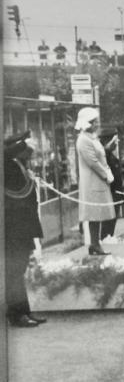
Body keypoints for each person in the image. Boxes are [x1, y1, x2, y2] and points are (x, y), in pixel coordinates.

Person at [4, 131, 46, 327]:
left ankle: (24, 312)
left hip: (22, 227)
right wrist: (22, 144)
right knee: (14, 272)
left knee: (18, 271)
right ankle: (16, 315)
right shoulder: (7, 164)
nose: (30, 154)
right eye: (26, 150)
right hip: (12, 229)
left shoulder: (19, 166)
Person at [75, 107, 115, 255]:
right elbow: (92, 162)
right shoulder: (83, 140)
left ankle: (95, 243)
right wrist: (106, 174)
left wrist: (106, 172)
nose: (97, 124)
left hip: (97, 180)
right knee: (93, 213)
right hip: (92, 182)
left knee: (96, 214)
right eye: (94, 121)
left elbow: (99, 156)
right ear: (88, 123)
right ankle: (95, 244)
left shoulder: (91, 137)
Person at [98, 128, 124, 238]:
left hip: (116, 193)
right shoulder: (105, 156)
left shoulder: (111, 156)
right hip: (110, 193)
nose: (117, 143)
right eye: (115, 140)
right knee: (108, 220)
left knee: (113, 220)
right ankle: (105, 239)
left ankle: (109, 238)